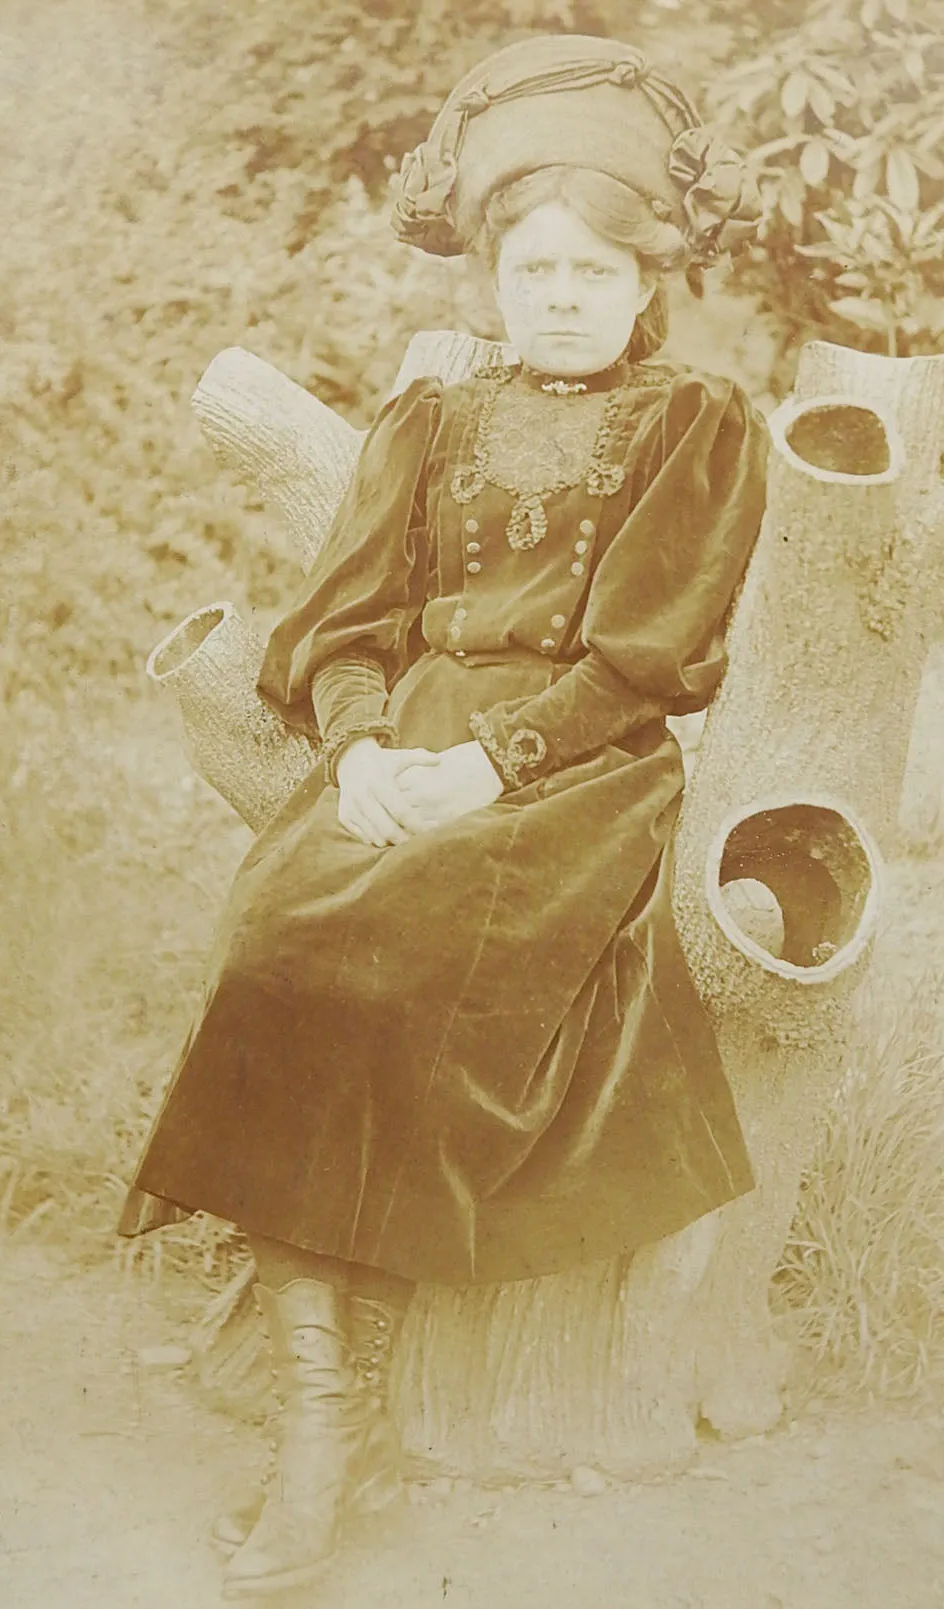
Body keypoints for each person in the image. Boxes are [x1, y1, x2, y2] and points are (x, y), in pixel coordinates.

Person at [117, 32, 769, 1601]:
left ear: (641, 283)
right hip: (401, 745)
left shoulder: (698, 426)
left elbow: (650, 659)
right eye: (533, 266)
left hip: (579, 769)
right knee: (283, 937)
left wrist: (488, 768)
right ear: (491, 275)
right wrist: (355, 754)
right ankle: (323, 1414)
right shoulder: (428, 420)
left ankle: (354, 1401)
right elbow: (344, 628)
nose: (559, 293)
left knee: (411, 950)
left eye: (592, 268)